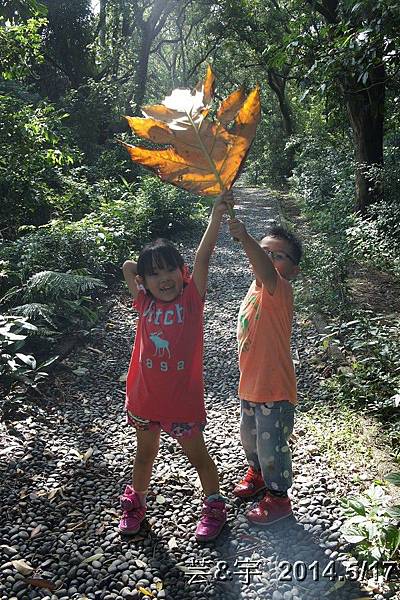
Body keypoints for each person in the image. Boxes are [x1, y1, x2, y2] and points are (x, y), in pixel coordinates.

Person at [119, 191, 234, 542]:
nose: (164, 277)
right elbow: (127, 268)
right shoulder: (143, 302)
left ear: (182, 273)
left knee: (198, 456)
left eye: (170, 269)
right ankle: (136, 503)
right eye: (154, 274)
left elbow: (203, 257)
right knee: (143, 457)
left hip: (181, 401)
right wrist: (142, 276)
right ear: (145, 282)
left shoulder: (191, 299)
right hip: (144, 399)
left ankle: (214, 506)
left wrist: (216, 217)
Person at [228, 217, 302, 525]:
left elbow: (267, 271)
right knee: (251, 438)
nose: (269, 258)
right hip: (251, 385)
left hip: (275, 389)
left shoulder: (279, 289)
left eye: (278, 255)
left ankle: (278, 498)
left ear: (293, 270)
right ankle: (257, 474)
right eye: (265, 251)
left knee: (272, 445)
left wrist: (245, 238)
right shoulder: (256, 288)